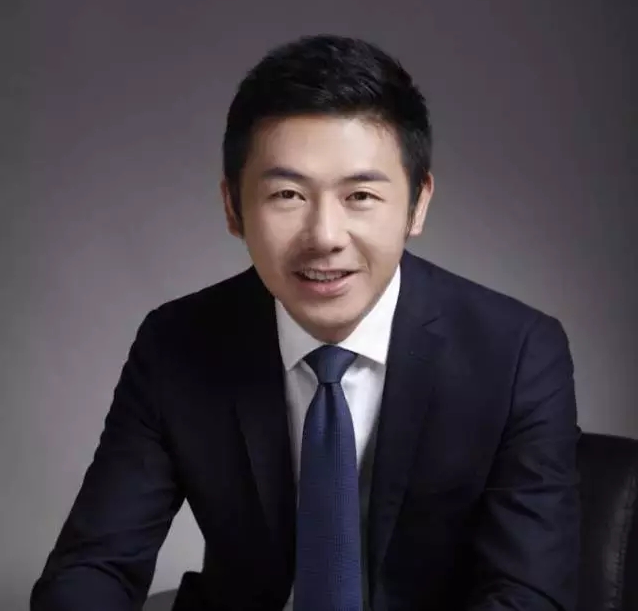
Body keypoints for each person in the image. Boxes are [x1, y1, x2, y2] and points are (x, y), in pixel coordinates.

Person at [30, 34, 580, 611]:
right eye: (288, 194)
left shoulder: (516, 353)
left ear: (417, 204)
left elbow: (528, 595)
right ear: (232, 207)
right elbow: (94, 567)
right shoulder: (176, 343)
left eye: (360, 195)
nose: (324, 237)